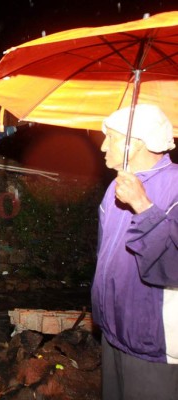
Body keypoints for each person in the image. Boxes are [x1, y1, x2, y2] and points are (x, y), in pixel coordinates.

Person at [91, 104, 178, 400]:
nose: (103, 146)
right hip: (114, 333)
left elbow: (173, 267)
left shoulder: (175, 186)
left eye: (111, 137)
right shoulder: (116, 187)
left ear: (136, 142)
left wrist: (143, 206)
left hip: (153, 344)